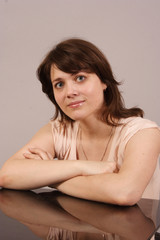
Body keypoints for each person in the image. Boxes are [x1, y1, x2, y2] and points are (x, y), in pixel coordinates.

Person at [0, 38, 160, 206]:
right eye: (59, 84)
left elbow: (125, 193)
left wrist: (50, 178)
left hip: (132, 231)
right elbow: (6, 175)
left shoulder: (144, 133)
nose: (70, 92)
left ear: (104, 81)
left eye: (80, 78)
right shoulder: (58, 130)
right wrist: (82, 167)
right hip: (77, 229)